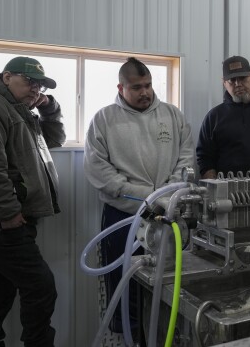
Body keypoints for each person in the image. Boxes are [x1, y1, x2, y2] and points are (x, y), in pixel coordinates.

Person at [83, 57, 194, 335]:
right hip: (123, 218)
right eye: (136, 87)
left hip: (168, 215)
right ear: (121, 88)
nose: (145, 92)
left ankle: (164, 335)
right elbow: (99, 172)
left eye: (148, 85)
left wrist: (169, 195)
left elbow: (186, 160)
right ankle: (130, 337)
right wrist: (149, 197)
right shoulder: (104, 119)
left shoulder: (172, 115)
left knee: (168, 280)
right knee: (124, 283)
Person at [0, 56, 65, 347]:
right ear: (7, 76)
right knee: (40, 285)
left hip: (10, 217)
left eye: (39, 86)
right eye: (29, 82)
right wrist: (8, 212)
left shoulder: (19, 111)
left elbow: (55, 139)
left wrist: (50, 108)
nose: (35, 90)